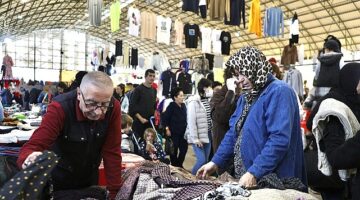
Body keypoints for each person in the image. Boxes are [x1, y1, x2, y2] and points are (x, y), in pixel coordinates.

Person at [197, 46, 307, 191]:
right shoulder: (247, 95)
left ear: (255, 67)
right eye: (237, 74)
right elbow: (233, 133)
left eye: (243, 73)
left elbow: (279, 139)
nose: (240, 80)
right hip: (251, 177)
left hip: (274, 179)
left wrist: (255, 171)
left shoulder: (279, 92)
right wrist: (215, 162)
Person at [17, 71, 122, 199]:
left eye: (105, 104)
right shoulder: (60, 107)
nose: (98, 112)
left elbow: (112, 151)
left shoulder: (114, 107)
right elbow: (34, 145)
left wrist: (115, 193)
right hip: (59, 183)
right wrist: (29, 158)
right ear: (79, 94)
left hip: (89, 181)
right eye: (91, 103)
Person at [306, 63, 360, 200]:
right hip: (334, 182)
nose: (359, 88)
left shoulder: (352, 102)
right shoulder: (335, 109)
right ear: (351, 80)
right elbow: (336, 157)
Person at [210, 63, 241, 156]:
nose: (241, 79)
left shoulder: (243, 96)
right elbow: (220, 117)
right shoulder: (219, 95)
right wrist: (231, 92)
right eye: (238, 75)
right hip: (223, 149)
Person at [186, 78, 213, 175]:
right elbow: (191, 121)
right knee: (201, 160)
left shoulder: (207, 100)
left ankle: (200, 181)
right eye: (208, 87)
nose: (209, 90)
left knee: (205, 160)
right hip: (198, 136)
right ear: (203, 88)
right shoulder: (193, 102)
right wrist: (195, 139)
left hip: (208, 133)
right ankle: (191, 178)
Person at [162, 87, 188, 168]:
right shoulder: (171, 106)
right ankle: (174, 166)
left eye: (183, 95)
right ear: (175, 97)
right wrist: (167, 129)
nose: (182, 97)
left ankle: (179, 165)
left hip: (183, 132)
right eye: (180, 96)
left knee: (184, 150)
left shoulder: (184, 106)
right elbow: (165, 118)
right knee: (173, 151)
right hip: (173, 132)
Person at [128, 69, 157, 139]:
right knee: (139, 143)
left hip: (149, 122)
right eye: (150, 76)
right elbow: (132, 106)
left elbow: (154, 105)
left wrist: (155, 113)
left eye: (153, 76)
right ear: (145, 77)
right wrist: (140, 118)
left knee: (149, 143)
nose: (152, 78)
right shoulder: (138, 90)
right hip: (139, 122)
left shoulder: (154, 90)